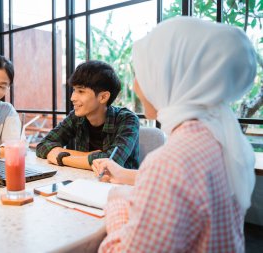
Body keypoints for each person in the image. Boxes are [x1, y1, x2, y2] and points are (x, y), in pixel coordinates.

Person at [92, 17, 256, 252]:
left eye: (143, 73)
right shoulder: (220, 137)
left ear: (169, 78)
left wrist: (117, 202)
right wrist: (124, 176)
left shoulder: (172, 161)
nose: (136, 86)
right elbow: (191, 189)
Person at [36, 60, 140, 170]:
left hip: (119, 185)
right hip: (83, 182)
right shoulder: (77, 117)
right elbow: (42, 146)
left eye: (81, 91)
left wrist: (61, 157)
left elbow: (111, 162)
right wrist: (87, 156)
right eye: (74, 90)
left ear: (103, 97)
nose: (72, 98)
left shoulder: (128, 119)